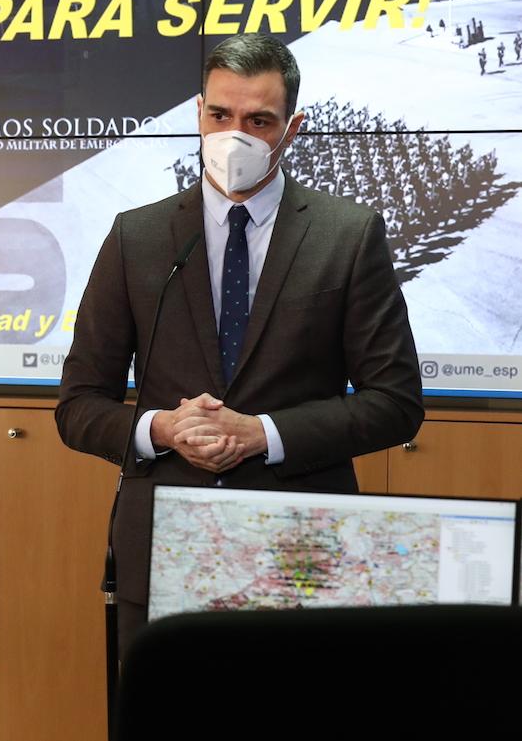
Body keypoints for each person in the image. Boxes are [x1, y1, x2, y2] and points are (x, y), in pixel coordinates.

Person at [56, 33, 424, 659]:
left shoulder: (348, 235)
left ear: (292, 127)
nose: (236, 135)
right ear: (198, 113)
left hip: (304, 541)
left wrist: (264, 433)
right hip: (166, 545)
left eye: (260, 120)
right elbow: (78, 405)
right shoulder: (137, 237)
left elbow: (395, 402)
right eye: (220, 115)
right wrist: (163, 430)